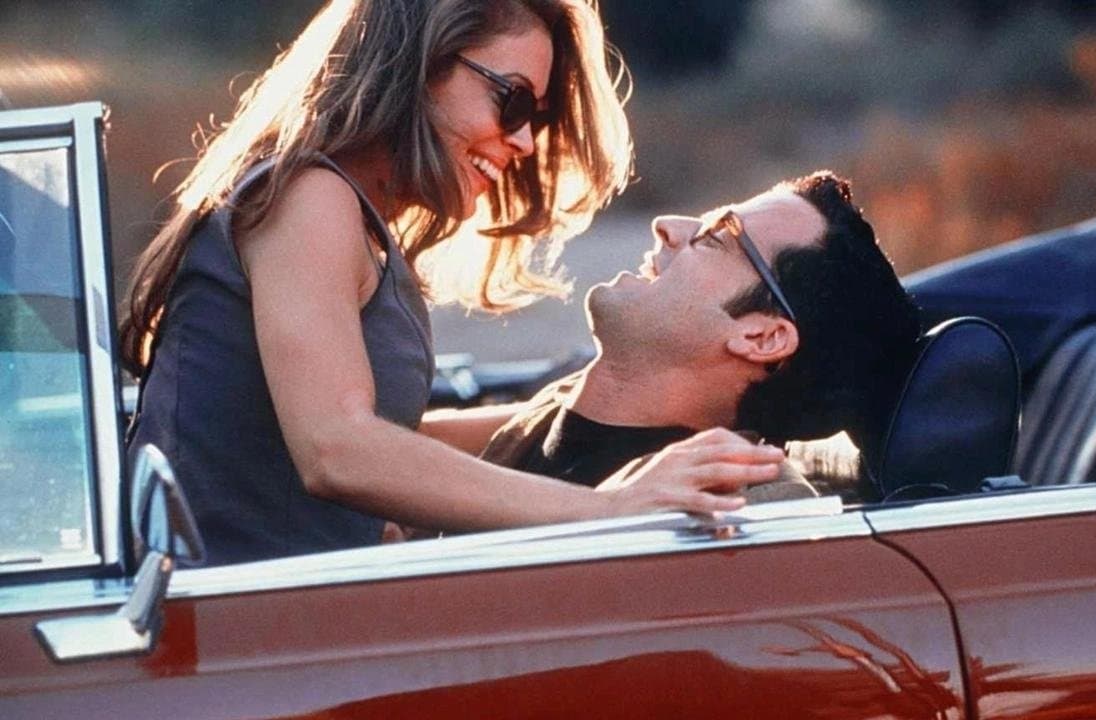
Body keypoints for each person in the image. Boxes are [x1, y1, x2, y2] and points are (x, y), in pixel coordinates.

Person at [121, 0, 783, 566]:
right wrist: (610, 510)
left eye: (536, 118)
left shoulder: (352, 217)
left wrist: (653, 416)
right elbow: (337, 448)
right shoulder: (308, 198)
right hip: (219, 631)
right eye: (513, 100)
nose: (525, 142)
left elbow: (399, 439)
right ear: (419, 64)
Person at [478, 171, 923, 497]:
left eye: (714, 237)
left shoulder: (722, 510)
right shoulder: (569, 405)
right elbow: (431, 461)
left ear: (761, 338)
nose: (666, 226)